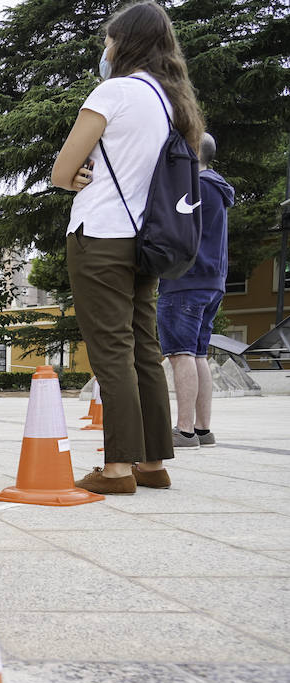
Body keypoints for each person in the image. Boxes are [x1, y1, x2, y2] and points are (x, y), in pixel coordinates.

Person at [51, 0, 203, 494]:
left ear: (126, 43)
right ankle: (153, 463)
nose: (106, 50)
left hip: (100, 237)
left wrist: (74, 176)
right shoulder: (172, 102)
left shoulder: (113, 92)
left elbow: (62, 170)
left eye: (109, 41)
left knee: (111, 351)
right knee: (144, 348)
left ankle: (117, 469)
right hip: (147, 242)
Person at [157, 132, 234, 449]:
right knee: (199, 353)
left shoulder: (195, 187)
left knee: (180, 354)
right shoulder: (217, 188)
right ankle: (203, 429)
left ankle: (184, 430)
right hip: (212, 281)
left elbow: (172, 228)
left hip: (185, 280)